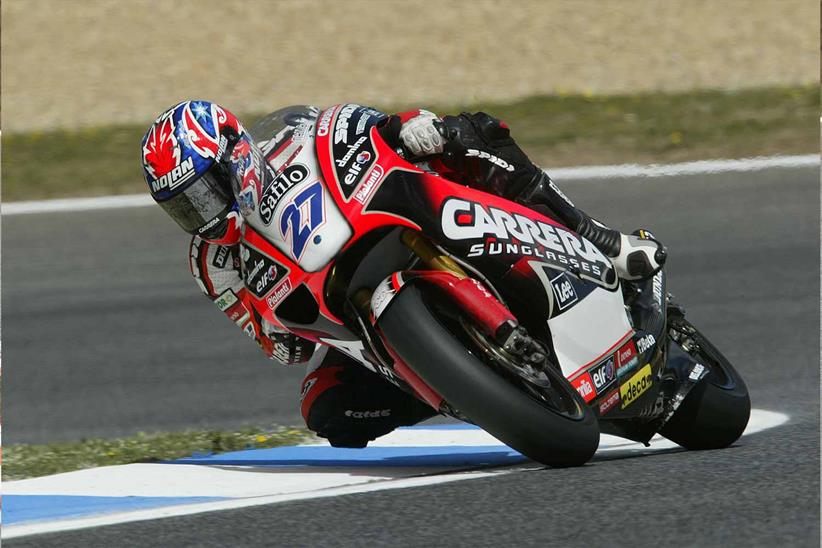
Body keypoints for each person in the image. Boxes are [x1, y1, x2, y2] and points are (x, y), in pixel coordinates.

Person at [141, 100, 665, 447]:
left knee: (466, 133)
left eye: (206, 191)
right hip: (350, 312)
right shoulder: (212, 263)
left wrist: (410, 128)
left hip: (399, 216)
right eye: (185, 207)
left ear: (235, 153)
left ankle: (596, 235)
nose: (203, 213)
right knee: (325, 410)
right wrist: (277, 332)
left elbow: (363, 123)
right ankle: (469, 386)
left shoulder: (291, 137)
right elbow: (274, 342)